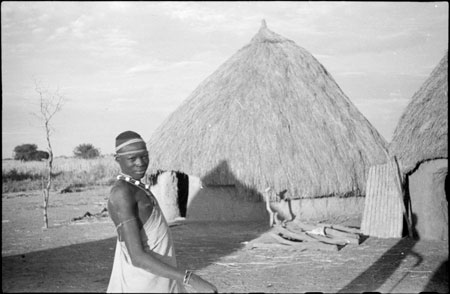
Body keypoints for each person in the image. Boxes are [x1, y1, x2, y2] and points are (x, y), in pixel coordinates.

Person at [106, 130, 217, 293]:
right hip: (142, 284)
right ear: (118, 160)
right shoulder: (122, 193)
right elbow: (137, 257)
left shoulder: (137, 187)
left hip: (160, 278)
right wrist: (190, 278)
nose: (140, 163)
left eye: (144, 156)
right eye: (132, 158)